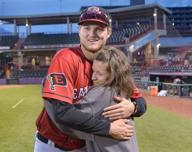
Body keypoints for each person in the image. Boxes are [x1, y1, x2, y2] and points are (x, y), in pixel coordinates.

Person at [34, 6, 146, 152]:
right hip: (53, 146)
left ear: (109, 33)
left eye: (99, 28)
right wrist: (108, 128)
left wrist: (133, 107)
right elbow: (61, 112)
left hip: (85, 146)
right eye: (86, 28)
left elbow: (141, 102)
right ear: (79, 31)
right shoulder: (66, 58)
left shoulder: (111, 62)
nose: (92, 34)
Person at [45, 46, 142, 152]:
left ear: (113, 75)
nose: (93, 77)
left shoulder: (104, 92)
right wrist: (134, 107)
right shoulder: (124, 89)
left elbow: (64, 118)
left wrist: (49, 97)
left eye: (99, 74)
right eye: (93, 71)